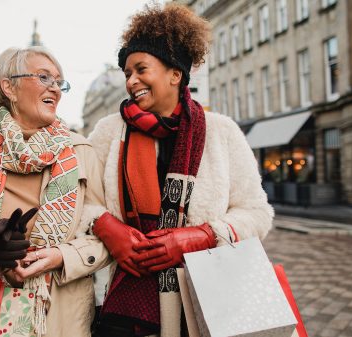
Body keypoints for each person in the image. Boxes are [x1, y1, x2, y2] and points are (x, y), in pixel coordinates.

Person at [87, 4, 274, 336]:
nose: (131, 81)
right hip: (124, 304)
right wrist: (106, 227)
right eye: (127, 73)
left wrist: (201, 236)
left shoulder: (222, 131)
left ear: (175, 74)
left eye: (141, 69)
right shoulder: (107, 131)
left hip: (205, 298)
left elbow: (258, 213)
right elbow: (81, 200)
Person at [0, 46, 110, 337]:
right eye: (44, 78)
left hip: (61, 318)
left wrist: (60, 256)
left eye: (59, 82)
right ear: (8, 87)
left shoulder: (81, 152)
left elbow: (102, 238)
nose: (56, 89)